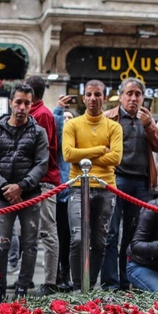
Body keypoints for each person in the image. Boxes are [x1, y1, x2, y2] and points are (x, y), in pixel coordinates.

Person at [0, 84, 49, 303]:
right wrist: (6, 188)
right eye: (18, 102)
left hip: (29, 195)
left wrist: (21, 186)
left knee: (30, 244)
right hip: (2, 196)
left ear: (32, 105)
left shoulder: (38, 132)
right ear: (10, 102)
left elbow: (41, 164)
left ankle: (22, 288)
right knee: (1, 242)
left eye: (27, 103)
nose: (22, 107)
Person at [102, 78, 158, 291]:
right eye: (129, 93)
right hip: (115, 180)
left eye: (137, 94)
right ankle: (109, 283)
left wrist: (149, 125)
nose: (133, 98)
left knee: (132, 235)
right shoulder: (109, 117)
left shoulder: (147, 119)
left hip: (140, 182)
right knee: (110, 233)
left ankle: (126, 281)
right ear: (120, 96)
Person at [63, 80, 123, 291]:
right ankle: (78, 285)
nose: (93, 99)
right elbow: (68, 154)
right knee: (78, 239)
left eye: (98, 94)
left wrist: (84, 158)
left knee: (100, 241)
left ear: (104, 98)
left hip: (106, 187)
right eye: (89, 94)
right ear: (83, 97)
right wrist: (99, 149)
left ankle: (90, 285)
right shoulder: (73, 124)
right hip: (78, 185)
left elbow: (115, 158)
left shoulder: (114, 127)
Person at [25, 76, 61, 296]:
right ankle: (26, 278)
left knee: (47, 231)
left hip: (44, 180)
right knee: (29, 234)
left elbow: (42, 152)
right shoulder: (33, 113)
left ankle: (49, 281)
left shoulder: (43, 115)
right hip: (32, 181)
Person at [53, 96, 74, 291]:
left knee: (71, 238)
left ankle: (68, 272)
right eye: (64, 118)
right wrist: (59, 110)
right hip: (60, 195)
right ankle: (59, 273)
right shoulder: (59, 145)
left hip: (75, 195)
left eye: (70, 118)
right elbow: (56, 129)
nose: (66, 121)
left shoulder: (76, 142)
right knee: (59, 237)